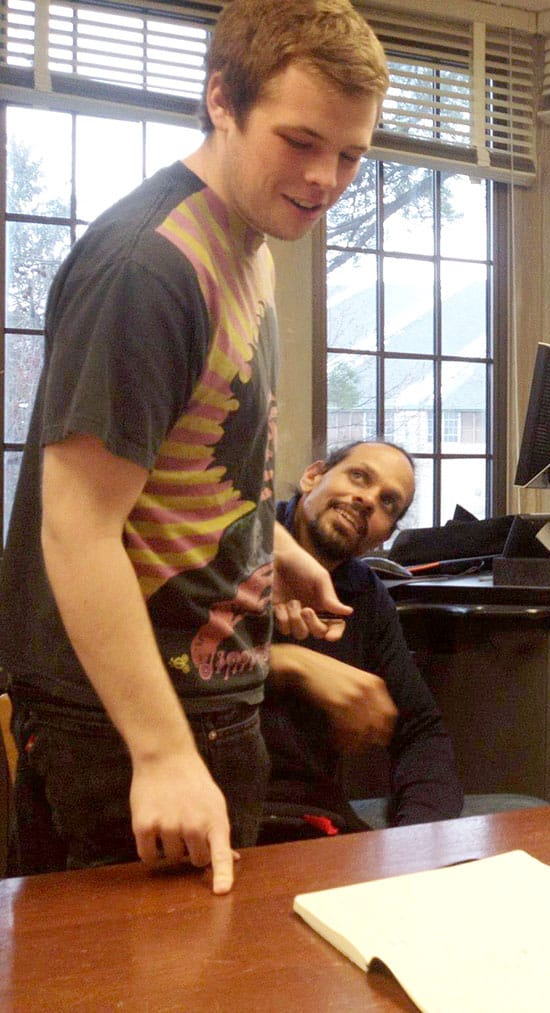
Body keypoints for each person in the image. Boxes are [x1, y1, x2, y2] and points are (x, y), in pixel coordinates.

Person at [0, 0, 387, 893]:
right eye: (300, 141)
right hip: (123, 727)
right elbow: (77, 529)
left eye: (351, 153)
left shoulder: (251, 243)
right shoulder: (148, 265)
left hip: (213, 699)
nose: (325, 177)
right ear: (222, 99)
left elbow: (202, 468)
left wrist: (280, 550)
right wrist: (163, 751)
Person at [261, 441, 467, 843]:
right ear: (313, 477)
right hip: (204, 813)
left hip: (311, 823)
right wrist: (288, 664)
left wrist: (416, 839)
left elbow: (421, 731)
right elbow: (164, 670)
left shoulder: (366, 597)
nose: (368, 500)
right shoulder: (227, 545)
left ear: (383, 538)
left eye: (388, 503)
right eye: (359, 476)